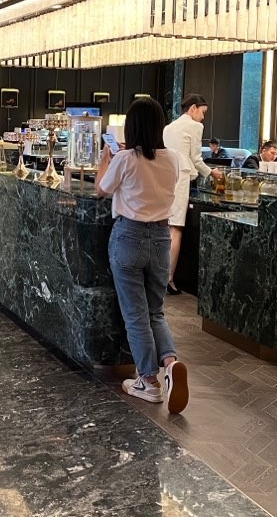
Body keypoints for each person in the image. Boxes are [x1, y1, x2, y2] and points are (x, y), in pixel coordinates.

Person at [95, 97, 188, 414]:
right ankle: (171, 363)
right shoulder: (173, 159)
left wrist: (106, 158)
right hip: (161, 238)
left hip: (129, 236)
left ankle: (148, 382)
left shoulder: (125, 159)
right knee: (155, 312)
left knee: (136, 315)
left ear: (131, 127)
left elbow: (101, 189)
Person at [162, 95, 222, 295]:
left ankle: (157, 275)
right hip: (180, 178)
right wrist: (211, 172)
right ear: (193, 108)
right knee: (176, 228)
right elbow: (195, 158)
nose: (203, 117)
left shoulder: (169, 127)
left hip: (165, 176)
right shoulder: (195, 126)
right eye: (203, 112)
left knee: (163, 226)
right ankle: (169, 279)